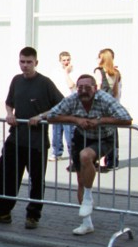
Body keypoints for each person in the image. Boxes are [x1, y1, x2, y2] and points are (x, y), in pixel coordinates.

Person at [30, 74, 132, 235]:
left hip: (103, 138)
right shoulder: (73, 99)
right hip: (81, 137)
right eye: (80, 87)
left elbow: (126, 119)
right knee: (80, 180)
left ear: (95, 88)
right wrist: (75, 119)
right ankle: (87, 223)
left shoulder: (105, 99)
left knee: (85, 156)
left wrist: (100, 121)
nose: (83, 91)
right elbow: (53, 114)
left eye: (87, 87)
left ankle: (88, 198)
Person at [0, 47, 63, 230]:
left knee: (36, 180)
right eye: (22, 62)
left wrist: (40, 116)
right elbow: (9, 102)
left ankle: (33, 215)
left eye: (29, 62)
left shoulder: (45, 83)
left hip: (37, 142)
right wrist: (10, 113)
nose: (25, 65)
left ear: (36, 63)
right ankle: (3, 212)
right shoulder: (16, 80)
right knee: (5, 173)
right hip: (16, 138)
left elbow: (61, 105)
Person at [94, 48, 121, 171]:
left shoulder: (99, 71)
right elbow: (116, 92)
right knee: (112, 133)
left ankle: (95, 158)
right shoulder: (116, 73)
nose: (97, 59)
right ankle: (112, 160)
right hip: (112, 106)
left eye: (99, 57)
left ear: (103, 58)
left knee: (97, 133)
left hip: (101, 107)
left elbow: (97, 88)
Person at [51, 51, 76, 163]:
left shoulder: (74, 71)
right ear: (60, 60)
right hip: (57, 102)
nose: (66, 62)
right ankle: (56, 152)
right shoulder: (55, 72)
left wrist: (66, 73)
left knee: (69, 130)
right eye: (64, 60)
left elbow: (71, 85)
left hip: (69, 103)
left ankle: (73, 154)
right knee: (56, 129)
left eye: (68, 59)